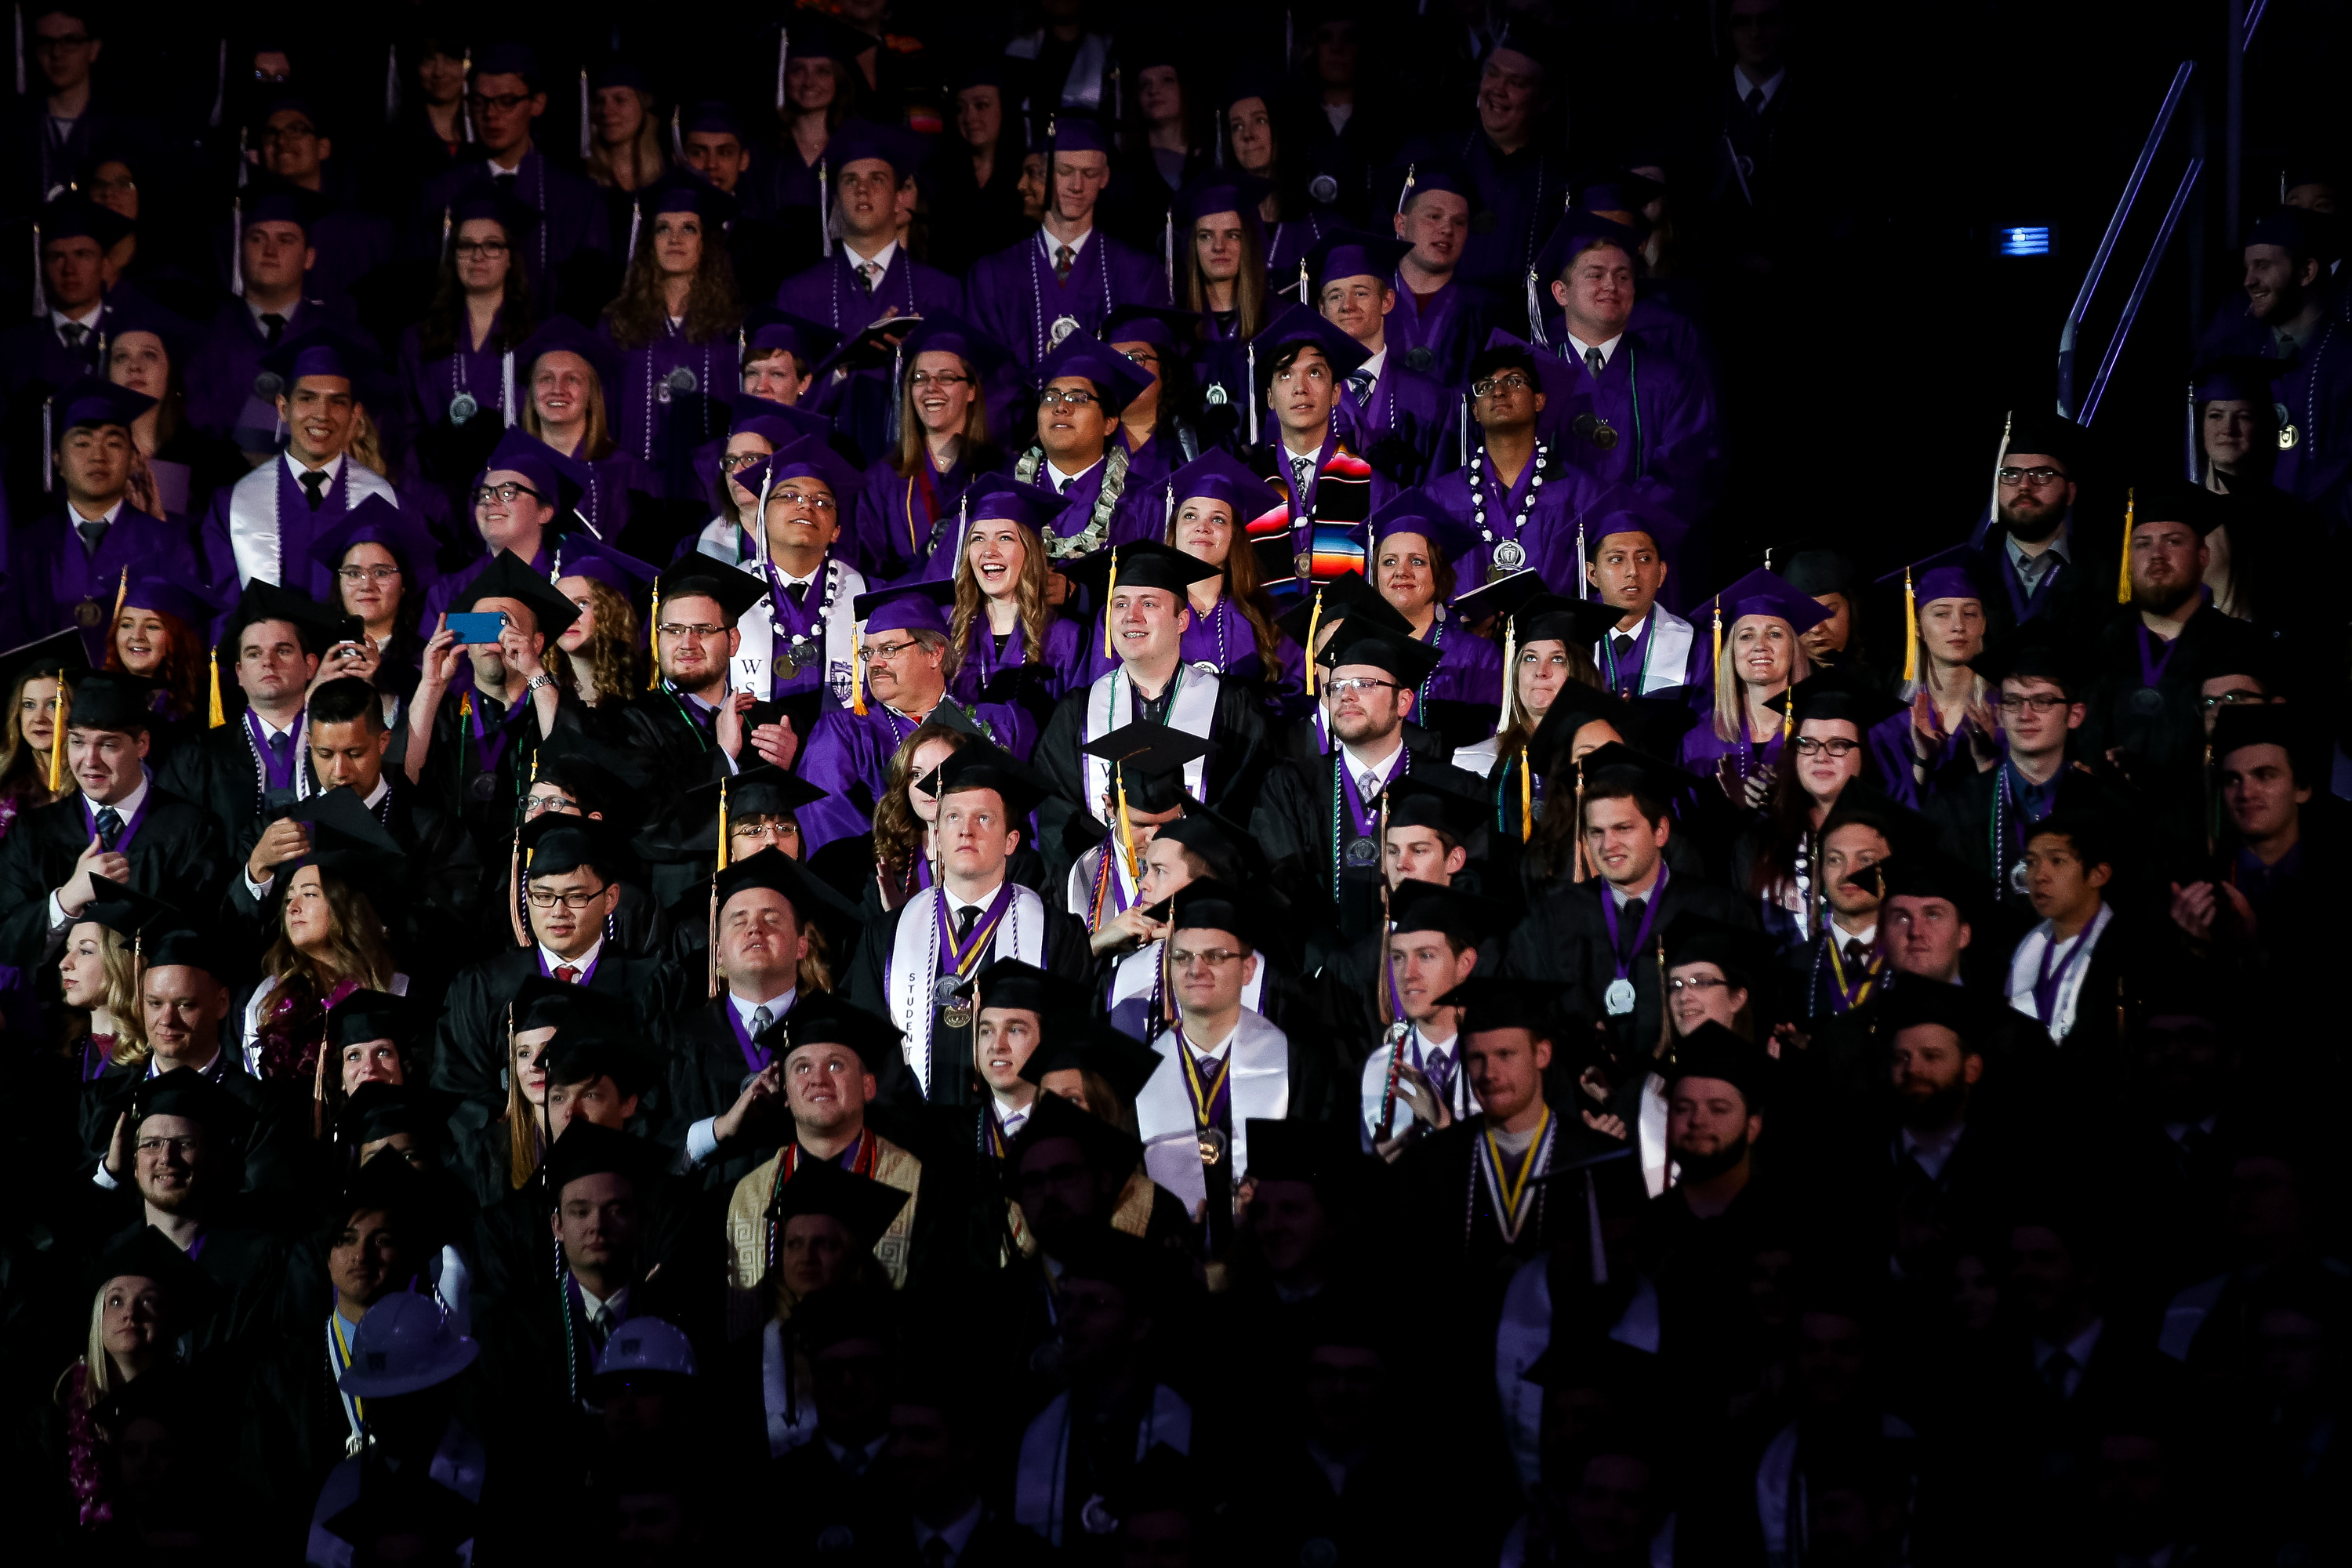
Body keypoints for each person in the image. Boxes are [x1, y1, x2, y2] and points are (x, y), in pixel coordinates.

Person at [853, 739, 1087, 1105]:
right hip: (912, 1138)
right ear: (937, 836)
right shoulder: (885, 936)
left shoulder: (1058, 934)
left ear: (1011, 841)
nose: (966, 831)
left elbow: (1066, 1051)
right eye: (953, 817)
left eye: (983, 818)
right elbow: (870, 1051)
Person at [1035, 541, 1273, 881]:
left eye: (1149, 603)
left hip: (1201, 896)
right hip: (1104, 901)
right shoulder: (1076, 713)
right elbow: (1058, 823)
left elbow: (1246, 809)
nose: (1131, 616)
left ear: (1182, 620)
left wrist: (1178, 866)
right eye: (1120, 603)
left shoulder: (1233, 708)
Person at [1502, 750, 1755, 1058]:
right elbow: (1527, 1019)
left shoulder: (1716, 911)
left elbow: (1745, 1021)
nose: (1608, 845)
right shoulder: (1552, 917)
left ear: (1660, 832)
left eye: (1623, 828)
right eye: (1596, 832)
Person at [1252, 619, 1480, 939]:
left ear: (1403, 702)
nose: (1346, 695)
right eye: (1337, 686)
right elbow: (1277, 887)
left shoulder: (1452, 788)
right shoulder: (1290, 786)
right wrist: (1330, 966)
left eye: (1364, 684)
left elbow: (1474, 886)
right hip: (1322, 978)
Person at [1132, 881, 1330, 1240]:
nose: (1196, 969)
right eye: (1182, 957)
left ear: (1249, 969)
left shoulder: (1298, 1063)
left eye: (1216, 956)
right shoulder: (1138, 1072)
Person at [0, 671, 228, 971]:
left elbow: (203, 936)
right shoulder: (32, 832)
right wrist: (69, 898)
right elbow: (7, 942)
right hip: (57, 1011)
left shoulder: (192, 829)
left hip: (148, 1006)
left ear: (142, 744)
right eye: (78, 742)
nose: (90, 760)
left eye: (108, 745)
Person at [660, 849, 855, 1188]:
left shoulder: (841, 1038)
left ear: (802, 946)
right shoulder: (674, 1036)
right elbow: (648, 1141)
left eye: (772, 920)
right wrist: (721, 1127)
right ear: (718, 951)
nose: (755, 930)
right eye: (739, 921)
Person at [719, 1000, 927, 1296]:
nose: (818, 1079)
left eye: (835, 1065)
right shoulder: (751, 1194)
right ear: (786, 1093)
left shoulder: (916, 1183)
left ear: (869, 1086)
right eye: (802, 1067)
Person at [1532, 210, 1721, 519]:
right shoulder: (1529, 377)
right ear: (1560, 292)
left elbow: (1681, 474)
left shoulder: (1673, 382)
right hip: (1550, 549)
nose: (1611, 285)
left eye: (1623, 276)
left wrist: (1612, 525)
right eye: (1595, 275)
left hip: (1637, 550)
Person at [196, 322, 405, 600]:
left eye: (338, 402)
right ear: (283, 408)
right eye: (307, 398)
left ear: (355, 415)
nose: (322, 414)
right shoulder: (231, 506)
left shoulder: (388, 504)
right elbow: (224, 610)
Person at [5, 380, 201, 668]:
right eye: (82, 443)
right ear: (57, 459)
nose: (98, 456)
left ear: (134, 458)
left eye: (113, 443)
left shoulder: (168, 544)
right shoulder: (26, 548)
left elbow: (184, 643)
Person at [411, 42, 609, 309]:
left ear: (537, 104)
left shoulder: (577, 198)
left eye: (507, 102)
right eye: (480, 102)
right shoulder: (439, 192)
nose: (491, 114)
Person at [966, 117, 1169, 372]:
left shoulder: (1138, 272)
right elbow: (989, 373)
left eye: (1089, 173)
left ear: (1104, 177)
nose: (1077, 185)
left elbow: (1145, 369)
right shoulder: (993, 275)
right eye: (1065, 172)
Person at [601, 178, 742, 502]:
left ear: (707, 242)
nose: (675, 239)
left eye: (689, 229)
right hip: (632, 487)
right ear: (649, 242)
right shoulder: (617, 325)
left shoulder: (733, 328)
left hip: (710, 488)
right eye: (663, 228)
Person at [1421, 335, 1599, 591]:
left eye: (1514, 381)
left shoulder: (1580, 492)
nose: (1498, 391)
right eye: (1485, 386)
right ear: (1475, 411)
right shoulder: (1442, 496)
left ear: (1539, 401)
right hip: (1465, 631)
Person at [397, 185, 537, 506]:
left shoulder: (533, 341)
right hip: (435, 498)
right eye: (466, 246)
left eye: (492, 246)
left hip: (512, 497)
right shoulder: (418, 340)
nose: (478, 256)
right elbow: (407, 430)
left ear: (510, 258)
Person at [1308, 232, 1452, 486]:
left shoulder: (1429, 398)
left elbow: (1440, 488)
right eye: (1335, 296)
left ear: (1387, 301)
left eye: (1360, 293)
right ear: (1322, 309)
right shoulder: (1302, 397)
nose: (1347, 306)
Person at [943, 476, 1087, 725]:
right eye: (978, 538)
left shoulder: (1067, 638)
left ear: (1029, 551)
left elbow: (1077, 730)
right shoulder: (951, 632)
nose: (989, 550)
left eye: (1005, 538)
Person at [1679, 568, 1826, 808]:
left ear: (1793, 649)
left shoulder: (1819, 735)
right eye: (1746, 636)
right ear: (1731, 652)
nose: (1760, 645)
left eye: (1775, 634)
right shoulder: (1699, 743)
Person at [1005, 333, 1163, 555]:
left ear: (1109, 423)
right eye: (1050, 398)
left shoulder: (1143, 503)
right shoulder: (1003, 493)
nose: (1060, 407)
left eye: (1078, 399)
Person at [1246, 305, 1389, 549]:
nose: (1300, 388)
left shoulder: (1372, 485)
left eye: (1314, 373)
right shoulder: (1247, 484)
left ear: (1336, 393)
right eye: (1285, 375)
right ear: (1269, 397)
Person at [1867, 549, 1994, 808]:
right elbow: (1890, 818)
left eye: (1970, 613)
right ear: (1919, 628)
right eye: (1941, 613)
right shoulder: (1891, 728)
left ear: (1983, 624)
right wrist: (1923, 761)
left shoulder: (2006, 714)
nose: (1958, 625)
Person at [514, 315, 661, 538]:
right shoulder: (507, 471)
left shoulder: (629, 472)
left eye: (572, 379)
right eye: (545, 378)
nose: (557, 389)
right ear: (531, 395)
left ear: (591, 396)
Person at [2003, 815, 2128, 1051]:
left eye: (2057, 861)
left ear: (2098, 874)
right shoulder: (2014, 954)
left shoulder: (2125, 954)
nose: (2039, 876)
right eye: (2031, 862)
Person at [1384, 162, 1494, 390]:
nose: (1447, 229)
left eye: (1459, 222)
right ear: (1400, 224)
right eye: (1434, 216)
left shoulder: (1489, 313)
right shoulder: (1368, 302)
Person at [1584, 495, 1705, 697]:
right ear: (1592, 574)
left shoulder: (1697, 647)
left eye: (1644, 558)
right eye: (1616, 559)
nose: (1632, 571)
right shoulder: (1567, 641)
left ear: (1662, 573)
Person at [927, 63, 1034, 278]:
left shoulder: (1030, 178)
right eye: (960, 108)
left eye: (981, 105)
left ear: (1005, 108)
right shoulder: (939, 177)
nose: (968, 117)